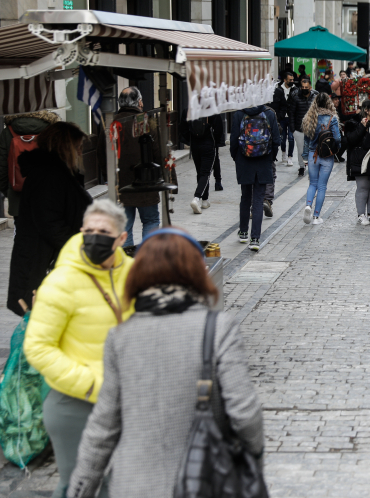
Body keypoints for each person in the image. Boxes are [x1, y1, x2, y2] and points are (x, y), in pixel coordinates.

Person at [65, 228, 264, 498]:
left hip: (132, 486)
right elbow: (244, 412)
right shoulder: (218, 329)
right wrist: (253, 459)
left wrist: (80, 489)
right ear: (196, 271)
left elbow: (103, 426)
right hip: (205, 481)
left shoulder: (120, 336)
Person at [24, 200, 134, 498]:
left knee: (123, 485)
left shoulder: (136, 275)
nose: (95, 236)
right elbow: (38, 346)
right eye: (90, 230)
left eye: (104, 231)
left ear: (122, 238)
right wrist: (90, 385)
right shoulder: (61, 281)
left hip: (128, 401)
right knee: (78, 487)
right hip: (76, 404)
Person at [6, 122, 92, 316]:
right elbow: (50, 223)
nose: (80, 152)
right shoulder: (48, 175)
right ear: (65, 147)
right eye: (77, 147)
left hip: (51, 261)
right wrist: (82, 244)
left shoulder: (58, 173)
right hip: (43, 265)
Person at [230, 104, 280, 250]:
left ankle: (243, 232)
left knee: (245, 197)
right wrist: (270, 157)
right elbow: (276, 140)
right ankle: (255, 239)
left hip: (244, 161)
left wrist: (237, 158)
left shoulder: (239, 114)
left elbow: (233, 140)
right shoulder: (269, 114)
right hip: (263, 161)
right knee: (258, 200)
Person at [114, 87, 160, 246]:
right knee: (150, 220)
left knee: (125, 226)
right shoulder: (145, 120)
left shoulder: (112, 123)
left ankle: (127, 264)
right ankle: (148, 261)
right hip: (145, 181)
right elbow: (159, 152)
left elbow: (101, 154)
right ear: (139, 102)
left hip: (121, 182)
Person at [0, 108, 58, 221]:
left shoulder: (8, 131)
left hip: (18, 194)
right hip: (47, 194)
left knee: (22, 233)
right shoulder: (53, 130)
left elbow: (2, 166)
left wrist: (7, 191)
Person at [301, 93, 341, 225]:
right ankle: (316, 217)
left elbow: (306, 140)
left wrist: (305, 156)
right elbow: (337, 138)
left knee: (312, 183)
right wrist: (336, 149)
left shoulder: (309, 118)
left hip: (313, 155)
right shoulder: (332, 118)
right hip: (326, 156)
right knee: (322, 186)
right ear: (328, 103)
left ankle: (308, 205)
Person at [180, 107, 225, 215]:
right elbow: (219, 128)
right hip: (208, 143)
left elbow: (183, 127)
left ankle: (205, 200)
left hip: (195, 145)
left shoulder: (189, 108)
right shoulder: (211, 108)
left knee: (200, 172)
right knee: (205, 173)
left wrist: (190, 139)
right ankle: (197, 197)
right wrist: (216, 141)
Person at [345, 100, 370, 224]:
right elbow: (351, 140)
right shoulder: (353, 123)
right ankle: (361, 214)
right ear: (366, 110)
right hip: (359, 159)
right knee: (363, 186)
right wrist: (362, 127)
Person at [288, 77, 316, 178]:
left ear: (310, 87)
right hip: (299, 129)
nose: (304, 89)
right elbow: (291, 113)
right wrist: (292, 129)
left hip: (312, 129)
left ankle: (312, 167)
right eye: (302, 87)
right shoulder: (296, 98)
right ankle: (301, 166)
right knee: (301, 150)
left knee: (312, 148)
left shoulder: (315, 97)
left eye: (306, 87)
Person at [273, 70, 294, 166]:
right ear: (285, 80)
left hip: (291, 117)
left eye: (293, 79)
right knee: (282, 138)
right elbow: (275, 105)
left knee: (290, 138)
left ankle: (290, 157)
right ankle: (284, 153)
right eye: (290, 80)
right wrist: (278, 116)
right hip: (282, 118)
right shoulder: (278, 90)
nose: (292, 81)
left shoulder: (295, 90)